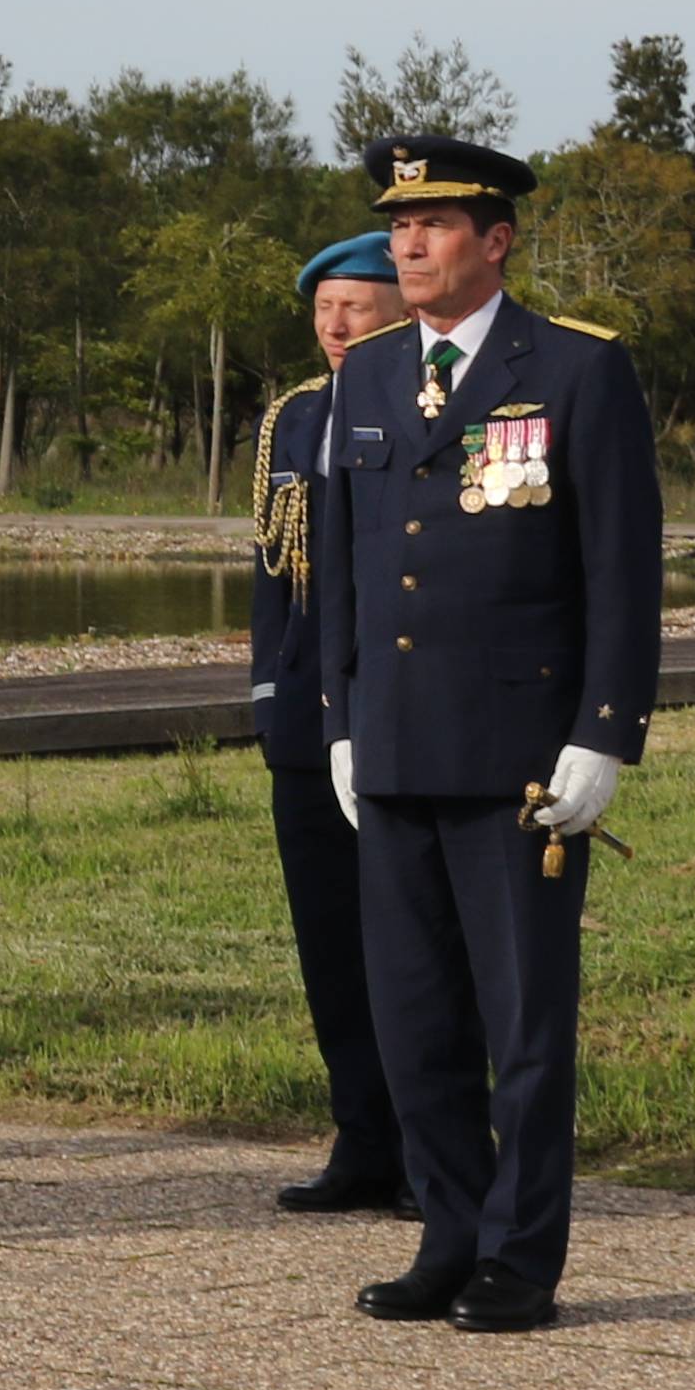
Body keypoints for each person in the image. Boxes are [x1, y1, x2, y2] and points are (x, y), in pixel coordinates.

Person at [306, 132, 662, 1335]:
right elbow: (347, 566)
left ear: (494, 240)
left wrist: (603, 731)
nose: (407, 244)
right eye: (397, 226)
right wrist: (340, 717)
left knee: (520, 1022)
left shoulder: (569, 370)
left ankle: (520, 1252)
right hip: (395, 744)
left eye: (436, 225)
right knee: (413, 1017)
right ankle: (447, 1231)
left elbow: (619, 566)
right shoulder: (359, 377)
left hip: (517, 750)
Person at [247, 230, 412, 1215]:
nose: (334, 323)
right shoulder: (292, 421)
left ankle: (428, 1145)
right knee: (328, 945)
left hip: (393, 717)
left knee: (409, 945)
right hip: (308, 728)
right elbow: (274, 576)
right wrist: (270, 698)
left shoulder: (425, 406)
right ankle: (359, 1139)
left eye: (354, 303)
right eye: (322, 307)